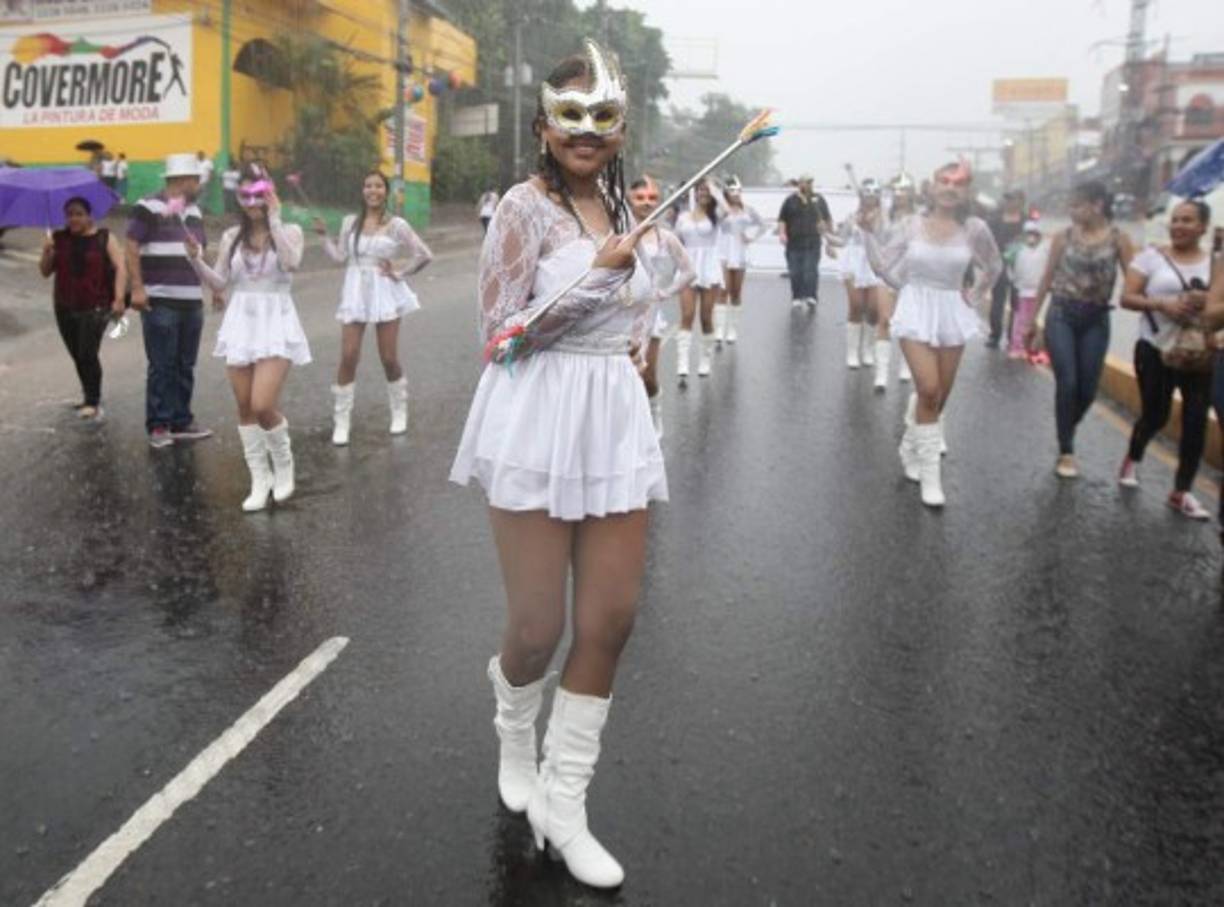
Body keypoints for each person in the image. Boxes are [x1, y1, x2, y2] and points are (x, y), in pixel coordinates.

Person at [449, 40, 664, 890]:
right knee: (537, 628)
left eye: (602, 118)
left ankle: (564, 803)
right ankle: (513, 721)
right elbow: (498, 337)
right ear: (542, 126)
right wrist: (596, 286)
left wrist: (639, 339)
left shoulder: (627, 210)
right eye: (569, 116)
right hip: (538, 415)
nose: (586, 131)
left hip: (612, 420)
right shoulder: (521, 210)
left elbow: (639, 314)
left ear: (619, 131)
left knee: (611, 618)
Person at [863, 161, 1003, 508]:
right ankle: (930, 476)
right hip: (915, 308)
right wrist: (868, 234)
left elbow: (994, 265)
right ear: (933, 187)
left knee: (940, 398)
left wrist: (972, 296)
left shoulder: (975, 228)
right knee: (927, 388)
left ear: (967, 191)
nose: (950, 188)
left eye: (959, 183)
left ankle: (911, 445)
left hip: (952, 310)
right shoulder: (912, 225)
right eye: (944, 181)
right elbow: (883, 264)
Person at [184, 166, 310, 512]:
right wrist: (195, 259)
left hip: (277, 321)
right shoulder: (231, 237)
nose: (253, 201)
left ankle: (283, 464)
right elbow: (219, 282)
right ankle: (260, 478)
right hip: (241, 321)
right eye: (247, 196)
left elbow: (292, 262)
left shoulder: (290, 231)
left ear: (270, 196)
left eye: (260, 194)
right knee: (243, 406)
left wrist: (275, 219)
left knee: (262, 404)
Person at [1026, 181, 1136, 479]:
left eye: (1077, 205)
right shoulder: (1063, 238)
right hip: (1061, 314)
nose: (1072, 211)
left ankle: (1066, 423)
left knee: (1088, 389)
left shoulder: (1119, 240)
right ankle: (1066, 450)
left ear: (1097, 205)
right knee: (1068, 381)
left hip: (1097, 319)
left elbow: (1135, 280)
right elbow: (1047, 279)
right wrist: (1031, 321)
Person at [314, 172, 433, 445]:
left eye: (378, 186)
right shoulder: (349, 223)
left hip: (385, 291)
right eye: (368, 185)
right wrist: (323, 238)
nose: (372, 190)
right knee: (348, 355)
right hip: (355, 290)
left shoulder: (397, 224)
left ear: (385, 191)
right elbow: (341, 257)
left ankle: (399, 410)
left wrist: (400, 273)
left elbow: (424, 253)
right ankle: (341, 421)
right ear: (362, 190)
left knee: (388, 357)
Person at [1117, 200, 1213, 519]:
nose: (1179, 226)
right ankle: (1133, 458)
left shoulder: (1216, 264)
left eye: (1188, 220)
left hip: (1198, 353)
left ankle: (1181, 491)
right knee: (1156, 414)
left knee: (1196, 420)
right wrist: (1162, 304)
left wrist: (1206, 303)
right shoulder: (1151, 257)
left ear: (1203, 227)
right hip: (1155, 348)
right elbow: (1127, 298)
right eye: (1175, 220)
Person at [126, 152, 212, 448]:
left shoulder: (196, 213)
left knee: (185, 364)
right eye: (197, 179)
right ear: (184, 180)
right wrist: (137, 288)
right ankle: (159, 425)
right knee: (162, 364)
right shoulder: (147, 206)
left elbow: (201, 254)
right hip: (159, 298)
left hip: (192, 300)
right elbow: (131, 245)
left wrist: (214, 286)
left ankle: (181, 420)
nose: (200, 184)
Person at [39, 197, 126, 421]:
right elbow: (45, 272)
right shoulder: (59, 239)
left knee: (87, 352)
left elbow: (120, 268)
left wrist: (118, 298)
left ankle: (92, 400)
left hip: (96, 306)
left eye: (78, 214)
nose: (73, 219)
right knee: (77, 354)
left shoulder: (104, 238)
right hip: (64, 305)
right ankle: (89, 394)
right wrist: (47, 253)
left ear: (89, 216)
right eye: (69, 214)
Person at [629, 174, 695, 436]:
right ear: (629, 199)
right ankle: (629, 426)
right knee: (623, 376)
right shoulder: (618, 234)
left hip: (651, 316)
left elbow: (689, 272)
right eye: (640, 197)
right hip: (622, 313)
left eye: (652, 198)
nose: (646, 203)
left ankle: (655, 412)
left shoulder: (666, 238)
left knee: (646, 375)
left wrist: (665, 292)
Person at [673, 178, 724, 379]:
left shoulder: (717, 215)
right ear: (694, 193)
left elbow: (726, 209)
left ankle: (705, 359)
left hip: (709, 267)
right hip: (689, 267)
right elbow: (675, 241)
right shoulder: (683, 217)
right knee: (687, 315)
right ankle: (682, 362)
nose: (703, 193)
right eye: (700, 189)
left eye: (706, 190)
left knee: (705, 317)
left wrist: (714, 188)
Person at [837, 179, 887, 380]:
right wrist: (826, 237)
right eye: (867, 196)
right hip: (854, 264)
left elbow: (889, 238)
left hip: (874, 263)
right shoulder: (852, 218)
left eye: (874, 196)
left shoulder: (886, 219)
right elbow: (841, 239)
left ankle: (867, 349)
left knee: (874, 310)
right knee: (856, 306)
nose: (870, 200)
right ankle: (852, 352)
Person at [716, 175, 764, 345]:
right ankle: (719, 330)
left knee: (736, 292)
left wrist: (750, 237)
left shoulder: (748, 210)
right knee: (723, 290)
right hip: (724, 251)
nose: (735, 194)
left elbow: (762, 225)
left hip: (740, 251)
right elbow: (714, 223)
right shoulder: (722, 210)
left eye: (737, 191)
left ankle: (732, 330)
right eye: (731, 191)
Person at [777, 174, 834, 309]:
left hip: (813, 242)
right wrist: (782, 233)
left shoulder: (818, 200)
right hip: (794, 243)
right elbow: (782, 219)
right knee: (795, 271)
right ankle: (797, 296)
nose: (807, 185)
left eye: (810, 182)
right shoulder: (790, 200)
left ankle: (811, 296)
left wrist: (830, 240)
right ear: (799, 184)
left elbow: (828, 219)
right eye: (805, 182)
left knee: (810, 270)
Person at [986, 190, 1026, 348]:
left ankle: (1013, 336)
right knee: (998, 301)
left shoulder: (1027, 221)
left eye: (1013, 198)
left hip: (1021, 267)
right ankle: (994, 335)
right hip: (999, 265)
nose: (1010, 202)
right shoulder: (995, 220)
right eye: (1007, 198)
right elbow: (987, 243)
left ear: (1021, 200)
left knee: (1017, 303)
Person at [1006, 221, 1048, 358]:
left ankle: (1029, 346)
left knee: (1032, 319)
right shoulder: (1018, 251)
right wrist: (1015, 283)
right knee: (1020, 320)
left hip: (1038, 292)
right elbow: (1011, 269)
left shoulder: (1044, 250)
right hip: (1023, 292)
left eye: (1035, 234)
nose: (1032, 237)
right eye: (1029, 234)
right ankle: (1017, 346)